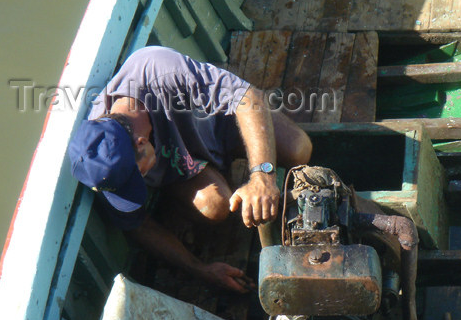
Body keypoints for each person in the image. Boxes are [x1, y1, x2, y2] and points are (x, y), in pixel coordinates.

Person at [68, 46, 312, 293]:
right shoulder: (100, 162)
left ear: (141, 143)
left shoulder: (156, 69)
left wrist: (262, 176)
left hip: (219, 121)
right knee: (215, 206)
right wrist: (200, 269)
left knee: (298, 149)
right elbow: (137, 224)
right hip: (184, 168)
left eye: (137, 175)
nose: (139, 181)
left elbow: (249, 97)